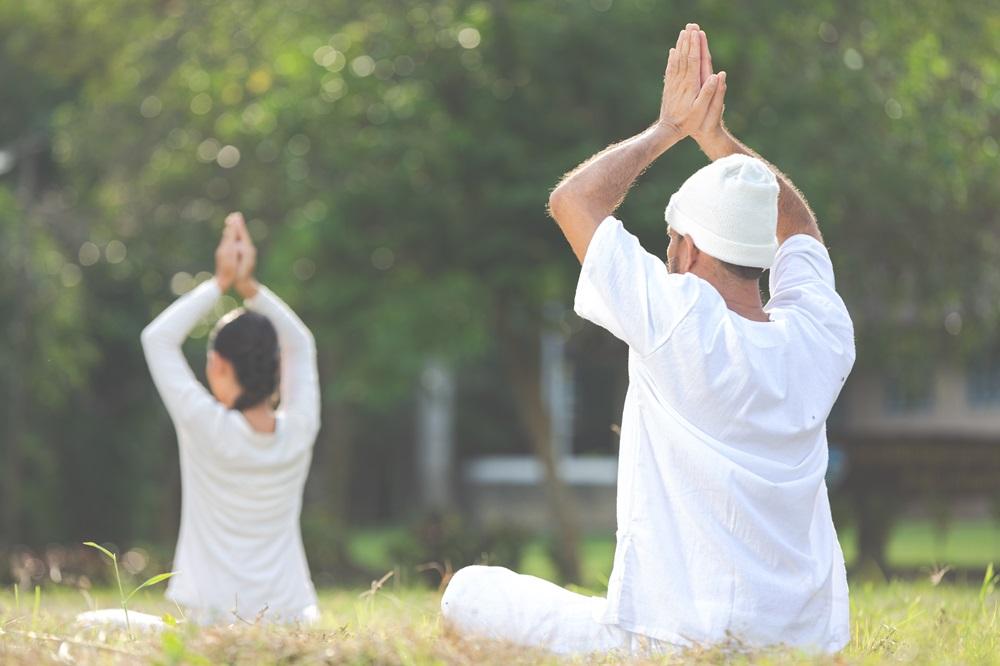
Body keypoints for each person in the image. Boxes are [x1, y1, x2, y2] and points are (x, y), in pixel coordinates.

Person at [440, 23, 855, 655]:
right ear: (758, 253)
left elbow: (573, 200)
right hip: (804, 648)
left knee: (467, 592)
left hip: (674, 643)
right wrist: (718, 144)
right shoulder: (821, 335)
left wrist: (669, 129)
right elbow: (799, 229)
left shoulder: (678, 316)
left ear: (685, 248)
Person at [98, 213, 320, 625]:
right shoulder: (299, 430)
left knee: (92, 623)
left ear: (217, 365)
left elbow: (157, 339)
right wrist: (250, 287)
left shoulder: (206, 426)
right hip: (292, 619)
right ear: (275, 368)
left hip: (211, 620)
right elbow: (301, 344)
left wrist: (221, 281)